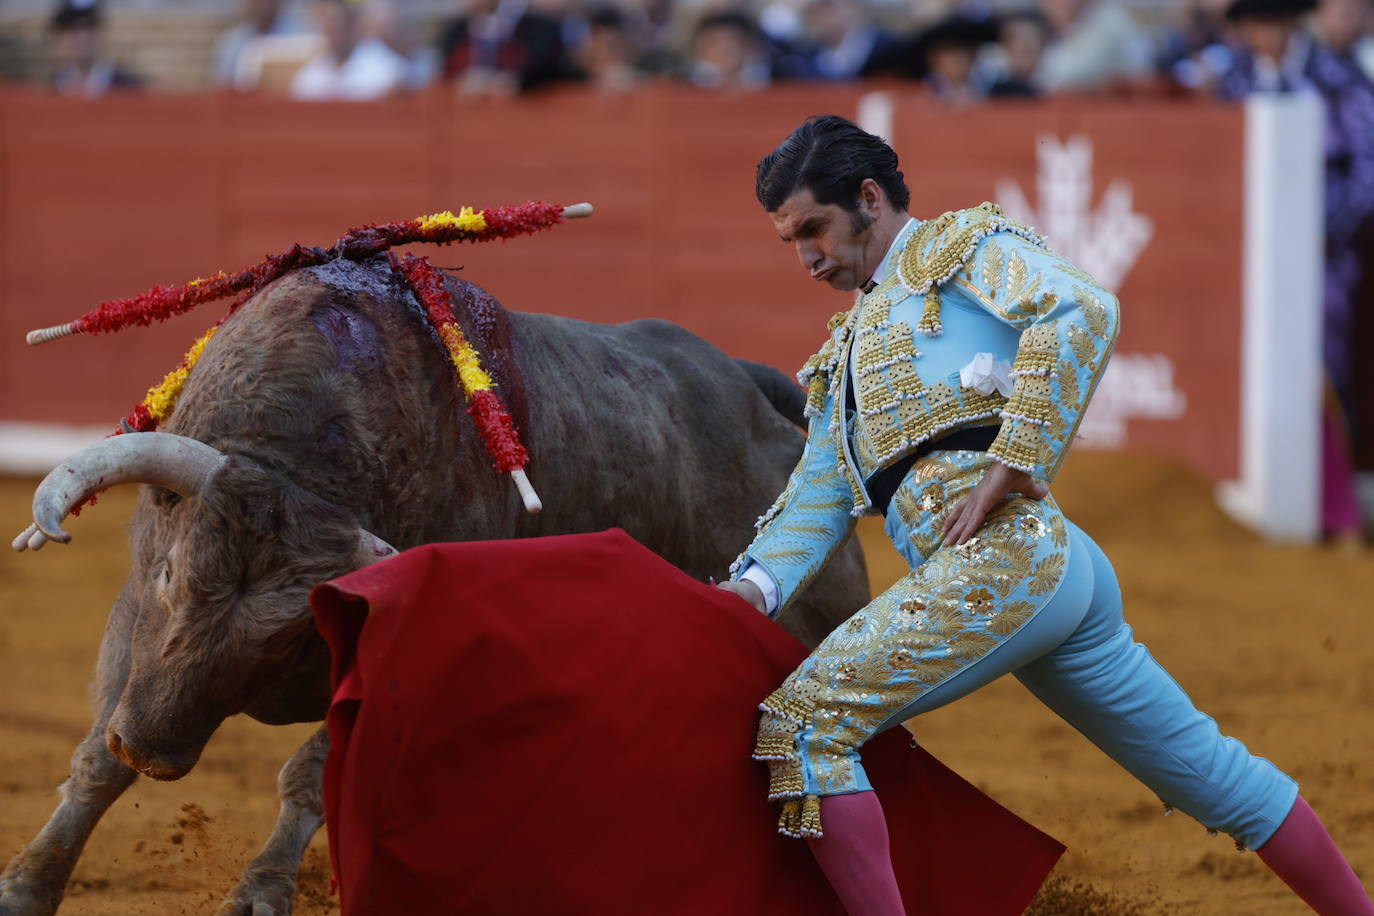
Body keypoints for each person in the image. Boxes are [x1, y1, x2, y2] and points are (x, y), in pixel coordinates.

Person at [716, 115, 1372, 916]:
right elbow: (816, 499)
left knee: (805, 726)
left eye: (813, 228)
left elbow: (1082, 310)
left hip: (1011, 560)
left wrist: (1015, 458)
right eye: (790, 239)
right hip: (1036, 577)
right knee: (1211, 773)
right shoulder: (841, 358)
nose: (806, 255)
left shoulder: (958, 251)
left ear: (868, 198)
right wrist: (747, 592)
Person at [1217, 0, 1374, 543]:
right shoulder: (1235, 77)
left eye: (1275, 22)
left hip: (1328, 259)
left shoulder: (1338, 78)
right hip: (1246, 256)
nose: (1266, 34)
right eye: (1256, 24)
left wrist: (1317, 234)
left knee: (1324, 364)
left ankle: (1338, 503)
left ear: (1294, 23)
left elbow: (1366, 167)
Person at [48, 0, 142, 97]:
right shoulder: (51, 87)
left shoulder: (130, 87)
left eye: (87, 26)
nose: (79, 37)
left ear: (101, 31)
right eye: (69, 28)